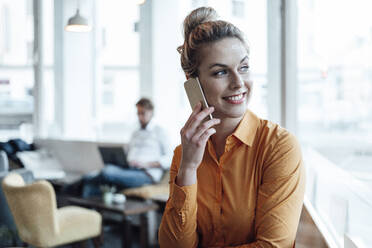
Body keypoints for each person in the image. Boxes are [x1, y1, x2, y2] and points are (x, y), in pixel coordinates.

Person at [158, 7, 305, 248]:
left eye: (243, 67)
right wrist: (189, 167)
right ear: (192, 83)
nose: (239, 83)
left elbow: (272, 246)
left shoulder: (278, 147)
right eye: (221, 72)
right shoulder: (184, 153)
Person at [82, 98, 172, 197]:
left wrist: (146, 164)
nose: (139, 117)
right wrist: (122, 160)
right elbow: (128, 152)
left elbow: (169, 158)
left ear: (151, 112)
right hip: (129, 169)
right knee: (91, 186)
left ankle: (83, 181)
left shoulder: (160, 132)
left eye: (143, 113)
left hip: (146, 174)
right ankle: (86, 198)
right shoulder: (135, 133)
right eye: (138, 113)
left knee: (106, 172)